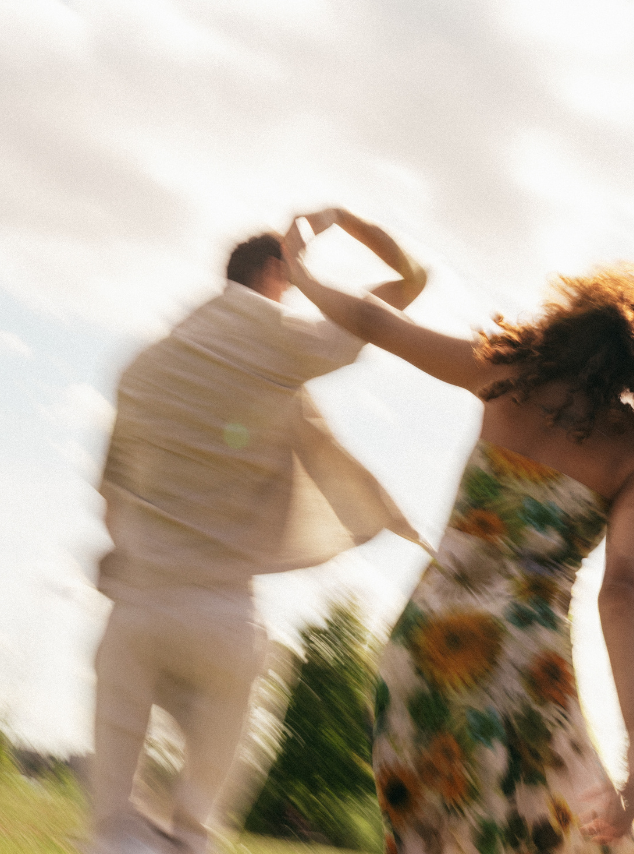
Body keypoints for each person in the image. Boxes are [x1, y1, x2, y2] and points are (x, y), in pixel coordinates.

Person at [283, 211, 634, 853]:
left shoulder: (504, 376)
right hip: (519, 670)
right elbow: (623, 590)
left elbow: (375, 322)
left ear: (566, 326)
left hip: (422, 647)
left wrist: (298, 270)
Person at [90, 212, 429, 854]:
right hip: (221, 613)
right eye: (292, 282)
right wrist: (331, 225)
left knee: (111, 822)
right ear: (277, 273)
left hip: (135, 610)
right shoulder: (279, 342)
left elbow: (110, 492)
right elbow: (411, 281)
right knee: (195, 830)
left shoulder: (144, 365)